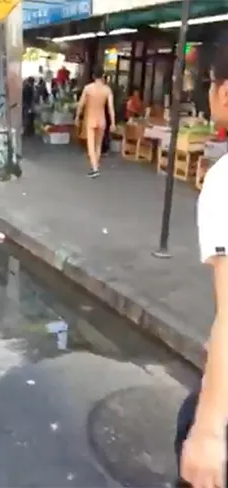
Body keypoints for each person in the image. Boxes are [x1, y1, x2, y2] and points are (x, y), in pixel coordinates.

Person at [177, 41, 228, 488]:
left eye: (208, 83)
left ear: (225, 93)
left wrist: (209, 429)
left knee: (189, 421)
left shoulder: (225, 179)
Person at [75, 69, 115, 178]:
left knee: (91, 145)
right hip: (102, 119)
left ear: (93, 76)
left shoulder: (88, 88)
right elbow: (111, 108)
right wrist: (113, 122)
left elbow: (81, 104)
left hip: (91, 119)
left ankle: (95, 168)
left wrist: (77, 116)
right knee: (98, 145)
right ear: (102, 76)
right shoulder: (107, 90)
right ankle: (95, 166)